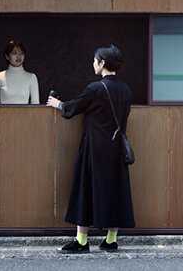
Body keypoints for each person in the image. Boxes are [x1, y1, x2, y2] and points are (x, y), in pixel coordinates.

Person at [46, 44, 135, 253]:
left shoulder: (96, 89)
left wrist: (58, 104)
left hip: (94, 149)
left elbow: (75, 107)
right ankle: (111, 240)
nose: (93, 64)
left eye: (95, 60)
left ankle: (82, 241)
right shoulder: (126, 90)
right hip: (116, 150)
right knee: (116, 191)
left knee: (84, 189)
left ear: (102, 63)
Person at [0, 40, 39, 104]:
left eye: (21, 53)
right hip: (3, 114)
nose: (18, 56)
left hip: (25, 114)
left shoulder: (32, 77)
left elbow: (35, 106)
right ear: (7, 56)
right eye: (14, 53)